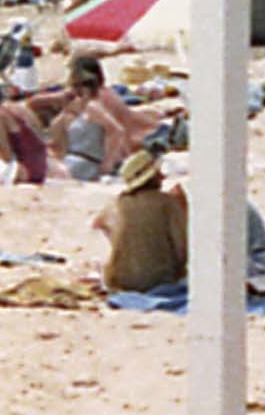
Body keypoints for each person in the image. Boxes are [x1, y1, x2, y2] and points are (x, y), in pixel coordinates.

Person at [94, 148, 189, 293]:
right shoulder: (168, 203)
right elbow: (181, 247)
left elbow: (101, 228)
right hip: (159, 279)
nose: (163, 177)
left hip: (120, 281)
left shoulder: (116, 204)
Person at [45, 55, 151, 180]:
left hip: (87, 163)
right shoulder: (84, 105)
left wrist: (107, 163)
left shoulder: (95, 105)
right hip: (82, 160)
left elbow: (117, 131)